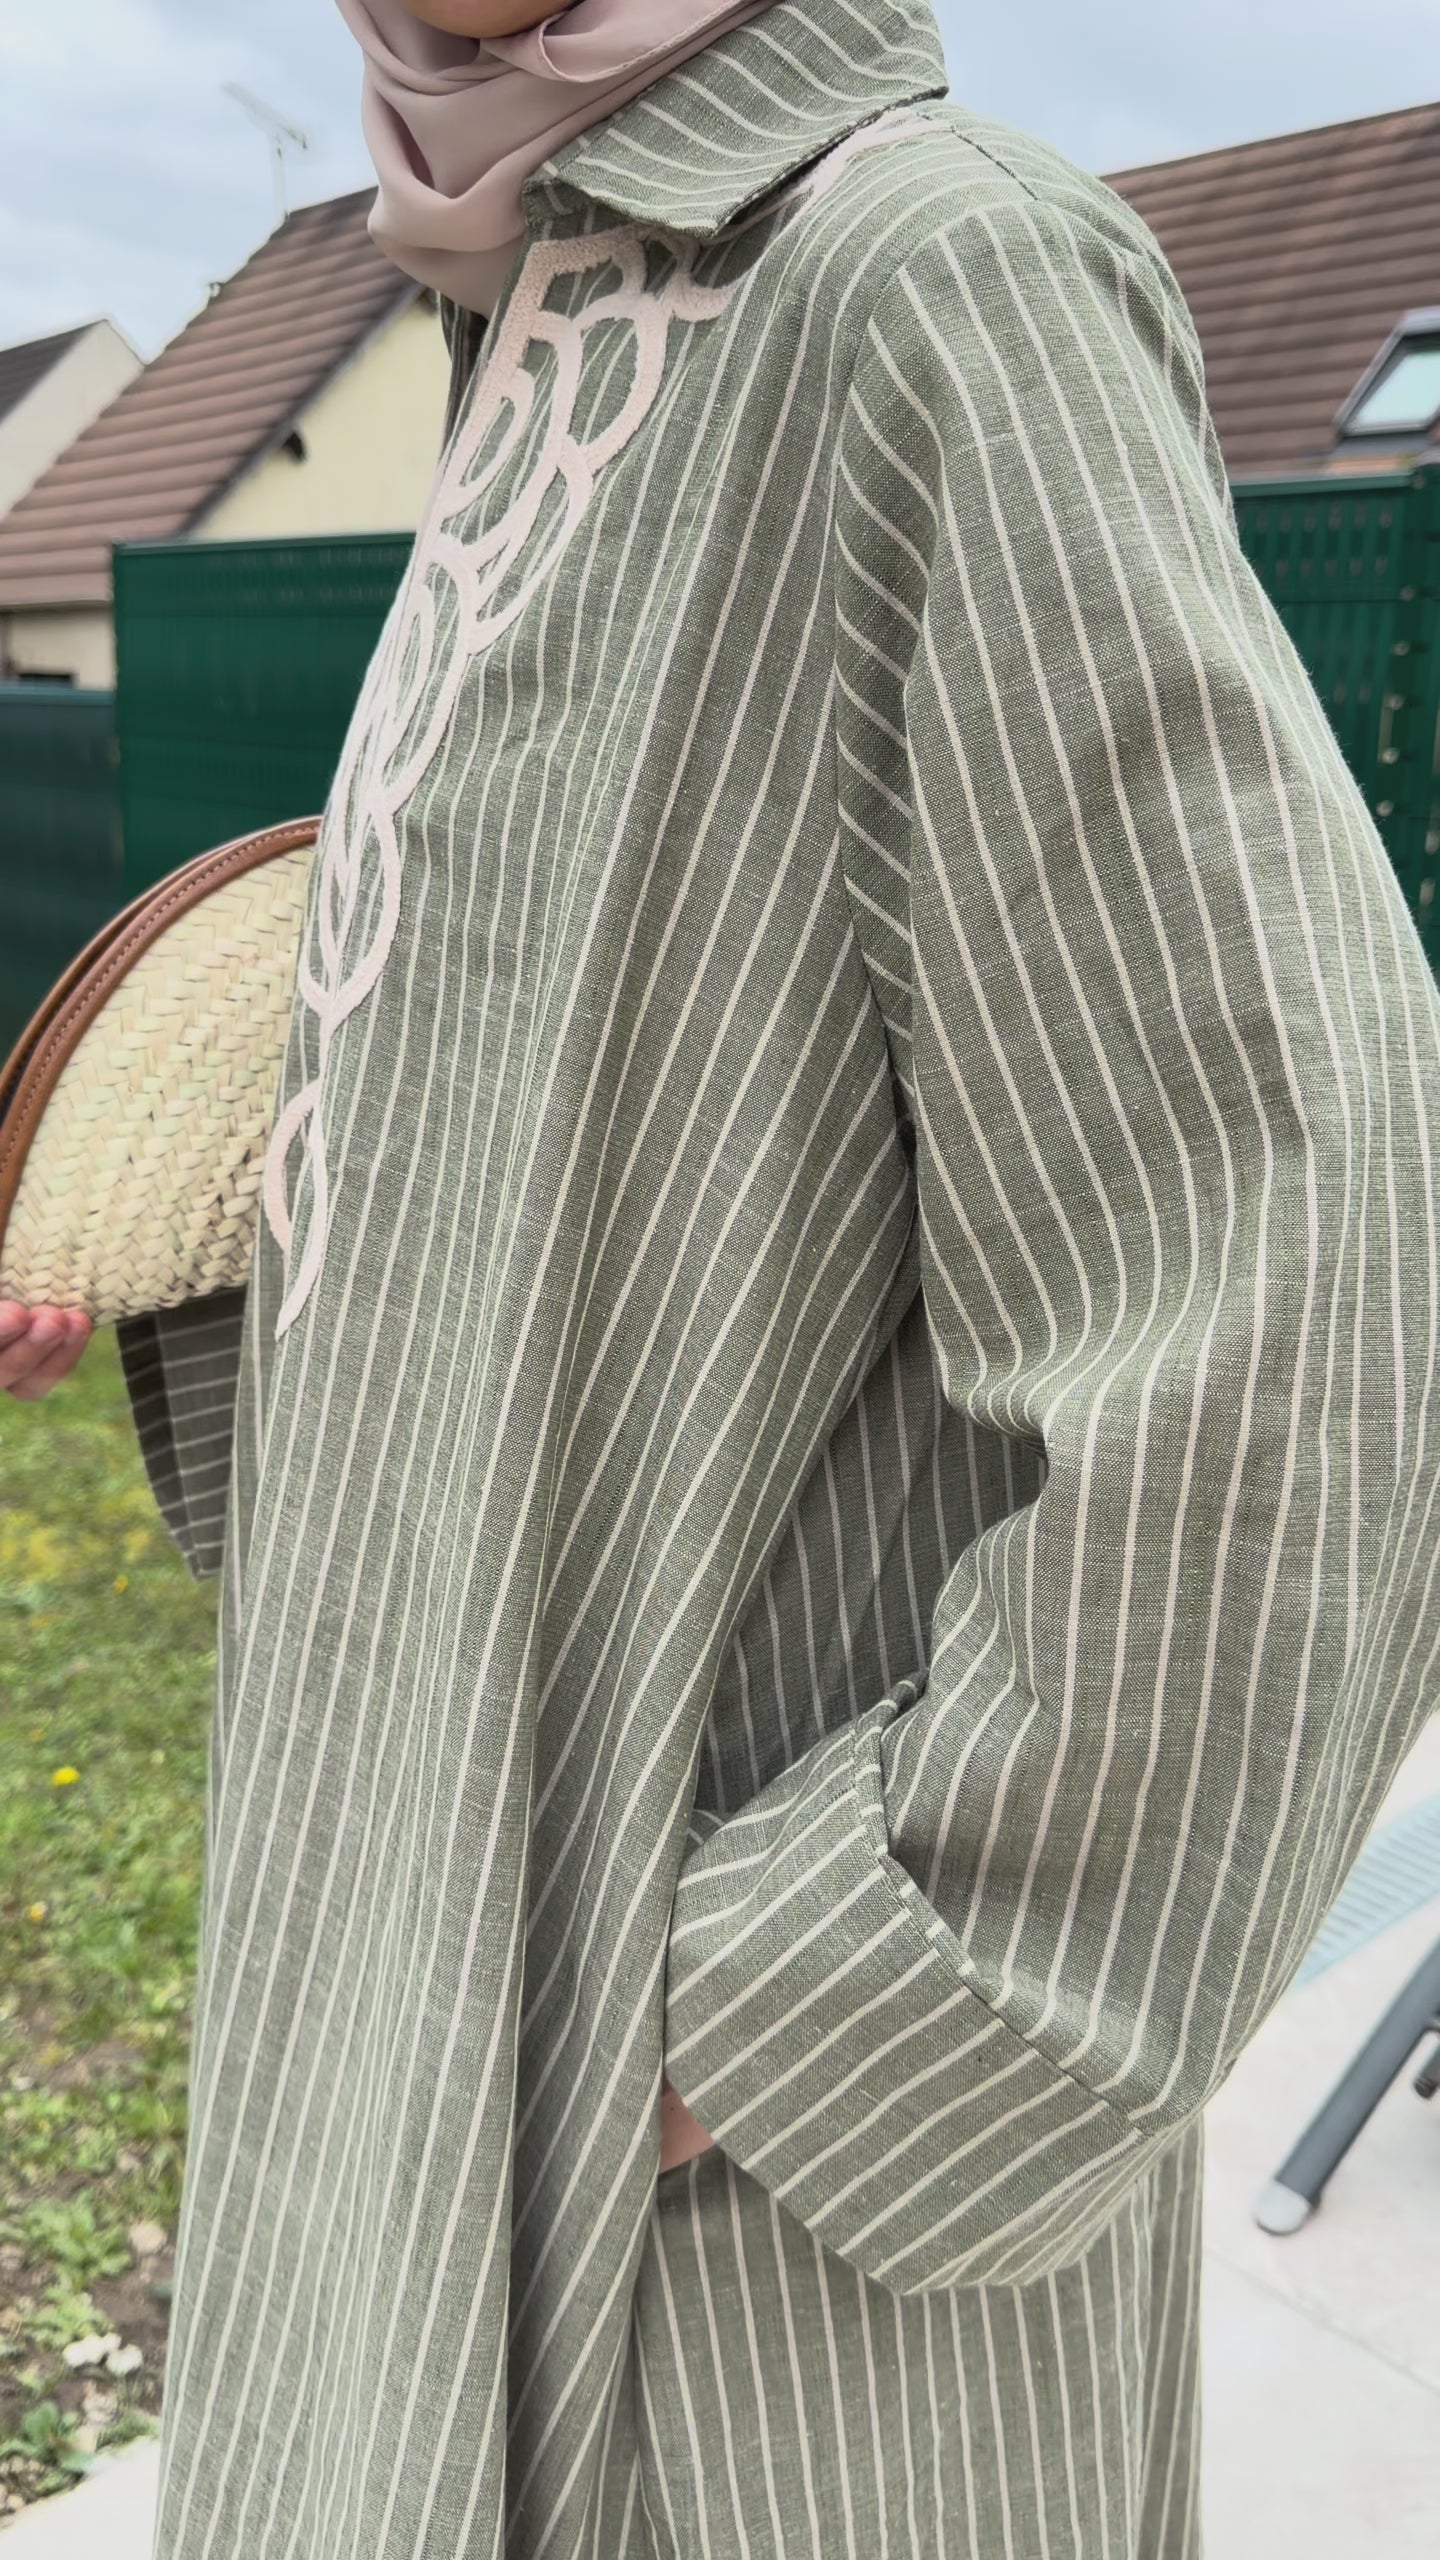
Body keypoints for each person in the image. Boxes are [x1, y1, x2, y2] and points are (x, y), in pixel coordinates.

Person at [6, 0, 1440, 2551]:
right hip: (426, 1967)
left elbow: (1313, 1321)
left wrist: (833, 2003)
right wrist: (209, 1230)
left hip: (719, 2231)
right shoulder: (543, 293)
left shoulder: (932, 282)